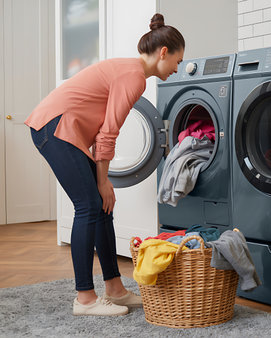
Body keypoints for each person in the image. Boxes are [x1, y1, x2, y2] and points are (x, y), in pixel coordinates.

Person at [25, 13, 185, 316]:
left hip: (60, 128)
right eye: (177, 61)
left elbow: (103, 133)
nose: (176, 69)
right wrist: (103, 181)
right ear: (163, 53)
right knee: (88, 205)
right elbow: (108, 133)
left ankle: (115, 288)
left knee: (101, 206)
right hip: (55, 127)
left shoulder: (130, 70)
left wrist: (103, 184)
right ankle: (84, 298)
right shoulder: (134, 76)